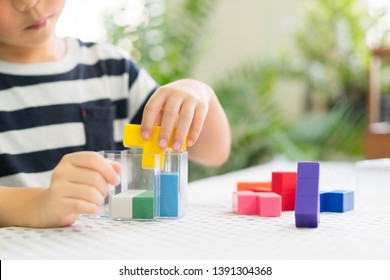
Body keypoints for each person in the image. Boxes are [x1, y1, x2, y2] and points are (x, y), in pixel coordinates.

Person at [0, 0, 231, 228]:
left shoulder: (113, 69)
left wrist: (201, 93)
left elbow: (213, 152)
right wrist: (42, 204)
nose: (28, 3)